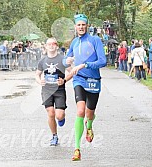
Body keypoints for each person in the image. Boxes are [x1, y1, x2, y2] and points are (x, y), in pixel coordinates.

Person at [63, 14, 107, 161]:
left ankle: (90, 125)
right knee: (80, 111)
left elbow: (102, 61)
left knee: (89, 114)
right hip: (79, 80)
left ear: (87, 26)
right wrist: (66, 60)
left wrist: (85, 65)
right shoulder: (74, 42)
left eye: (83, 25)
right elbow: (65, 60)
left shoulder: (95, 40)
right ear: (75, 27)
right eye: (78, 25)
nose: (81, 27)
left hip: (94, 80)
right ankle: (77, 149)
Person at [35, 37, 70, 146]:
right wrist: (40, 81)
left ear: (57, 46)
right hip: (47, 90)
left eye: (53, 44)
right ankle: (54, 136)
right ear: (45, 46)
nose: (51, 46)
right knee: (50, 113)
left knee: (59, 115)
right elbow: (37, 74)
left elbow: (72, 72)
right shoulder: (43, 60)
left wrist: (64, 80)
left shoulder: (62, 59)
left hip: (59, 90)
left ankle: (61, 118)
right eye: (48, 44)